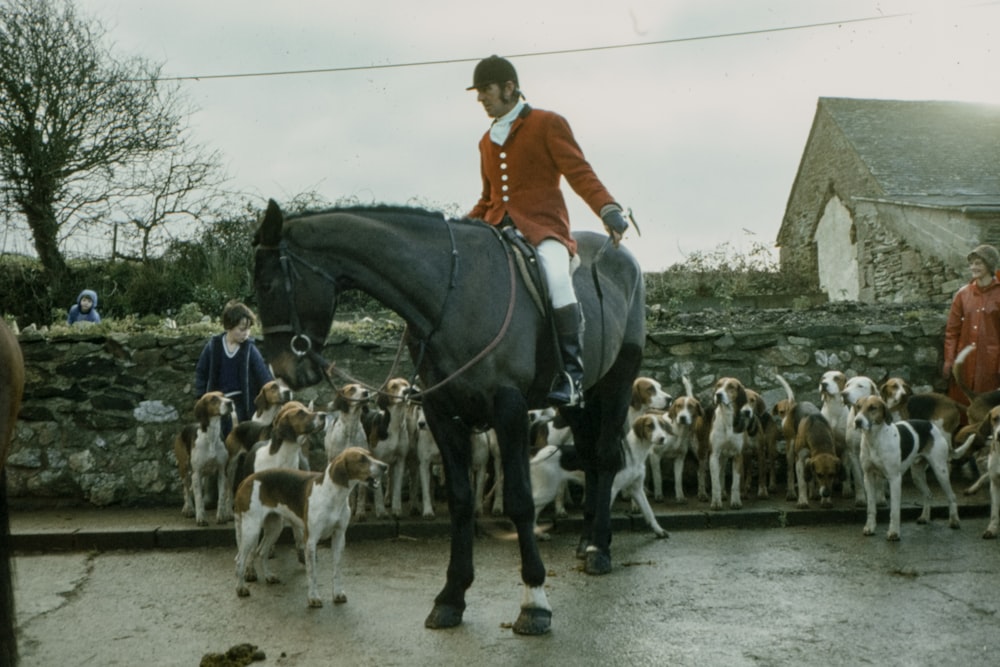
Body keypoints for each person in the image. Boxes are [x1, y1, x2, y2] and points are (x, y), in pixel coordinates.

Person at [466, 55, 629, 407]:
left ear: (509, 88)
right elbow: (488, 198)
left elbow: (579, 173)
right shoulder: (485, 140)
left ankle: (571, 373)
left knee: (556, 277)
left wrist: (608, 208)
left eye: (486, 90)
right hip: (495, 230)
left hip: (543, 229)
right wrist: (458, 228)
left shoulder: (548, 123)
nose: (481, 98)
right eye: (478, 92)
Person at [194, 300, 273, 437]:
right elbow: (201, 372)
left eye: (249, 329)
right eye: (242, 329)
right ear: (229, 326)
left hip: (242, 403)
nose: (246, 334)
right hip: (217, 402)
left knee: (238, 435)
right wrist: (201, 397)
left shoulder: (250, 350)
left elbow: (264, 377)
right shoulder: (214, 347)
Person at [943, 243, 1000, 407]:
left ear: (989, 265)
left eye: (978, 263)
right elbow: (952, 331)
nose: (973, 267)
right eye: (972, 264)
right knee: (962, 406)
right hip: (964, 362)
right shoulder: (963, 294)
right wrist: (949, 360)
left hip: (991, 364)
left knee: (988, 409)